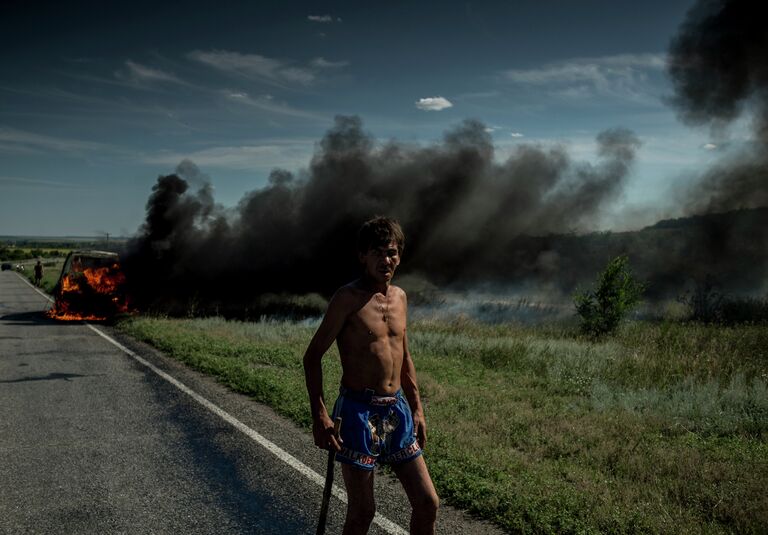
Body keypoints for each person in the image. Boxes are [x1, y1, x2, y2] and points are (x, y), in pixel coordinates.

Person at [303, 217, 439, 535]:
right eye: (377, 252)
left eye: (391, 252)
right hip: (357, 411)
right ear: (362, 256)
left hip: (397, 410)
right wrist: (319, 415)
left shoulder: (401, 298)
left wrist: (417, 408)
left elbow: (404, 357)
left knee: (427, 502)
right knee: (363, 511)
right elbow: (312, 357)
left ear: (400, 256)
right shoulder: (347, 299)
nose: (385, 260)